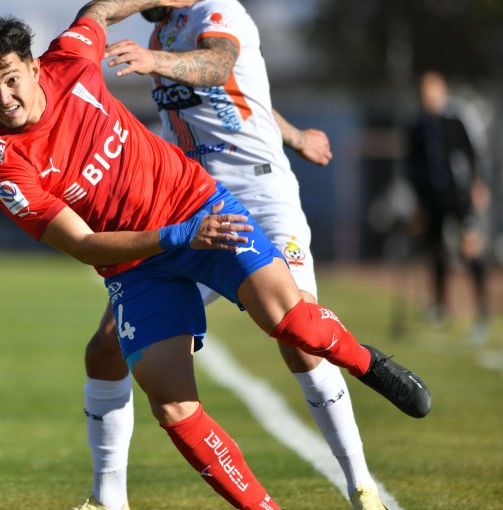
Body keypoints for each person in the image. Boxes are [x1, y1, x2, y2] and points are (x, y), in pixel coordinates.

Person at [0, 1, 431, 508]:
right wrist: (178, 236)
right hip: (143, 258)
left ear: (34, 68)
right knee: (172, 406)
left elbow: (99, 11)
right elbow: (81, 244)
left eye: (10, 79)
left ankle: (368, 368)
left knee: (295, 325)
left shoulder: (76, 59)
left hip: (200, 202)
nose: (3, 97)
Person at [71, 3, 387, 508]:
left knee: (299, 334)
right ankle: (107, 498)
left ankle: (361, 483)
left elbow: (218, 65)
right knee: (106, 347)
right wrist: (296, 134)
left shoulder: (215, 11)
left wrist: (158, 64)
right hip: (195, 209)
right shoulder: (161, 29)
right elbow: (245, 93)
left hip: (260, 200)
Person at [406, 70, 492, 344]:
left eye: (433, 90)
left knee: (470, 247)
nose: (428, 97)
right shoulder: (417, 128)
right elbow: (412, 168)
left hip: (459, 197)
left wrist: (478, 184)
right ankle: (441, 306)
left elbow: (472, 154)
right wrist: (417, 202)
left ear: (442, 92)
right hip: (432, 199)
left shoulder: (454, 122)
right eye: (424, 91)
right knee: (436, 251)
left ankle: (483, 309)